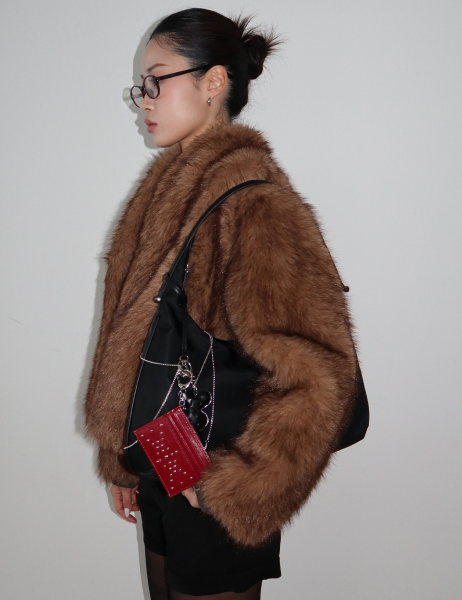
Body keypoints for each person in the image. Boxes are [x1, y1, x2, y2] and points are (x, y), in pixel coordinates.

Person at [83, 8, 358, 600]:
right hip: (163, 455)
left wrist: (243, 486)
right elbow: (139, 339)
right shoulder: (160, 195)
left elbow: (320, 372)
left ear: (212, 83)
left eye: (156, 81)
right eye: (140, 87)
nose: (143, 100)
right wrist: (123, 457)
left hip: (217, 479)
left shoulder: (254, 205)